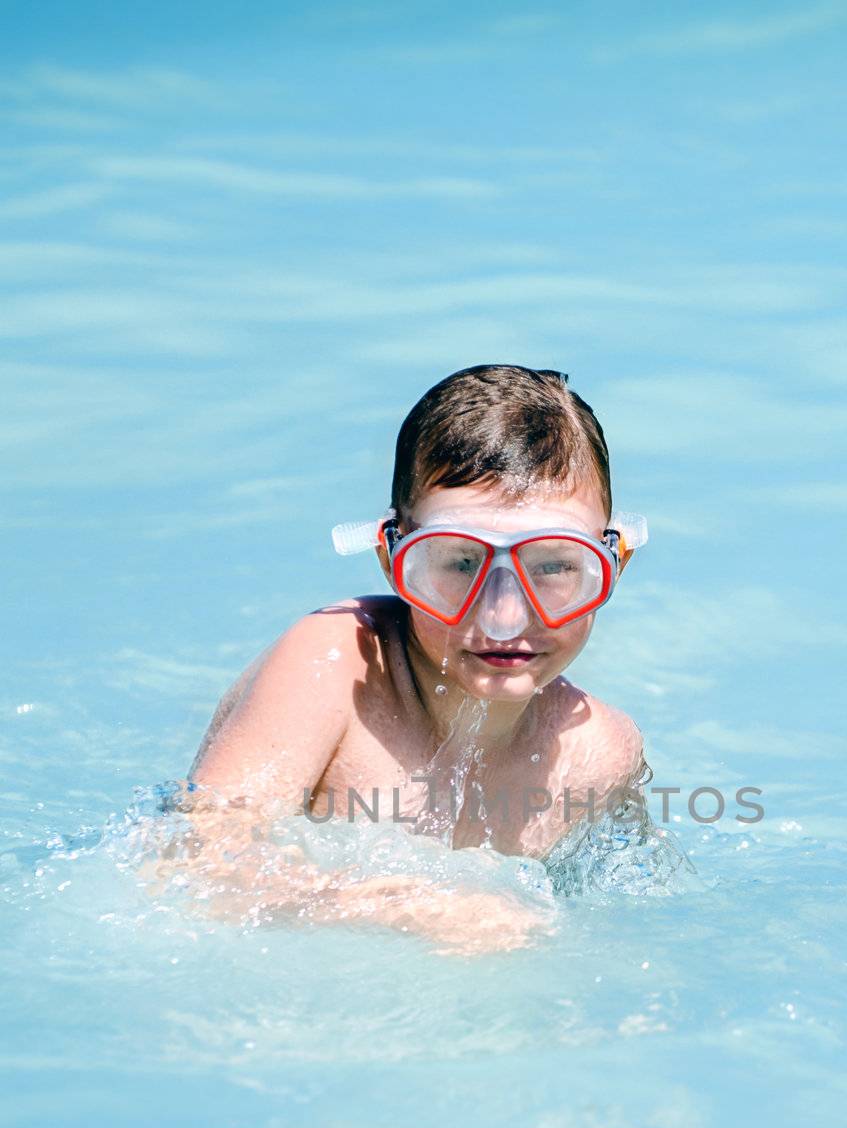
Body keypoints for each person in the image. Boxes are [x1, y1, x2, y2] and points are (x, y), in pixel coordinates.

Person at [169, 365, 648, 954]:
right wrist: (408, 908)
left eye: (552, 566)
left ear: (613, 565)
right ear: (391, 559)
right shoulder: (333, 670)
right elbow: (192, 865)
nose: (504, 616)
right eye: (458, 564)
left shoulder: (600, 754)